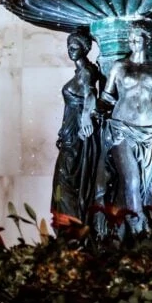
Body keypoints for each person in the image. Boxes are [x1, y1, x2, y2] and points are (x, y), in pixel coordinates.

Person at [95, 24, 152, 233]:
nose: (133, 43)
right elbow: (106, 97)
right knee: (131, 179)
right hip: (121, 129)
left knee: (137, 186)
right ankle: (140, 230)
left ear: (146, 41)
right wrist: (90, 109)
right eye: (130, 39)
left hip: (150, 132)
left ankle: (116, 233)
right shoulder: (119, 67)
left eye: (137, 39)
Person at [51, 29, 103, 225]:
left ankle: (73, 226)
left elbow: (90, 94)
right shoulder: (83, 71)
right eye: (69, 47)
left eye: (75, 46)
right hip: (70, 134)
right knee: (65, 181)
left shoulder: (87, 72)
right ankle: (71, 226)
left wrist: (86, 119)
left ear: (85, 48)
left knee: (66, 181)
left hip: (77, 136)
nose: (70, 50)